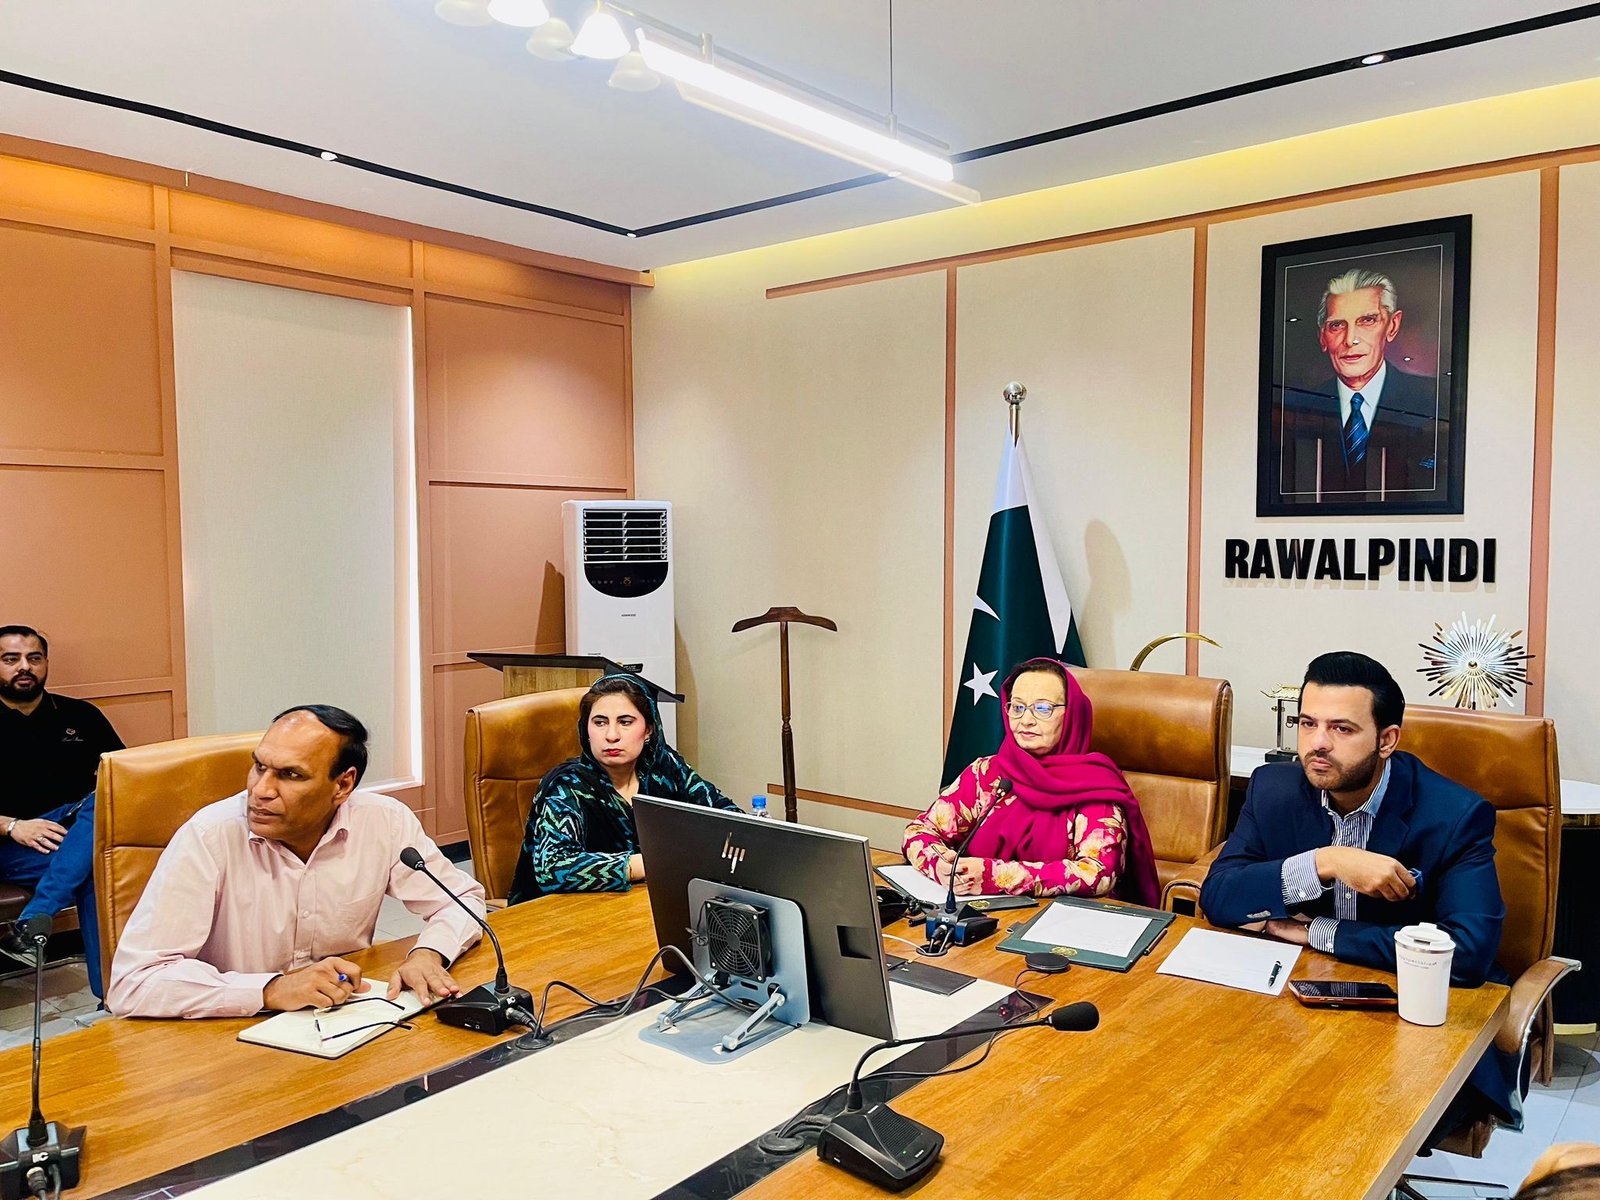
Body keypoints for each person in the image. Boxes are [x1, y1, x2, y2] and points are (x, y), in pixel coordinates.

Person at [1199, 650, 1512, 1127]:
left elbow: (1467, 954)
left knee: (1340, 1117)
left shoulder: (1454, 815)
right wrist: (1327, 861)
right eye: (1308, 724)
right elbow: (1219, 897)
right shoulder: (1273, 789)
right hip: (1295, 1009)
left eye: (1342, 729)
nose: (1318, 744)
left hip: (1407, 1021)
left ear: (1386, 740)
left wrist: (1318, 932)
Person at [107, 704, 484, 1019]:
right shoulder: (209, 836)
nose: (260, 790)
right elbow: (134, 983)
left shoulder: (383, 820)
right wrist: (271, 990)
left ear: (343, 785)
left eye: (290, 775)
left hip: (341, 1018)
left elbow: (462, 901)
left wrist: (428, 953)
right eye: (259, 767)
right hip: (225, 1031)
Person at [904, 657, 1159, 905]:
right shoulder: (987, 773)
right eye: (1017, 707)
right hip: (981, 914)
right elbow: (919, 831)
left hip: (1063, 920)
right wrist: (940, 865)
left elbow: (1097, 874)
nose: (1026, 720)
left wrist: (994, 876)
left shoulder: (1095, 785)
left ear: (1071, 715)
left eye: (1043, 708)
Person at [508, 673, 735, 902]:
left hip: (644, 905)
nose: (611, 735)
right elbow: (553, 868)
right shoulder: (568, 786)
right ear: (586, 730)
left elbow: (731, 820)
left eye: (625, 722)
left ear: (649, 730)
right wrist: (644, 864)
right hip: (565, 914)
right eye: (600, 722)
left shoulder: (665, 769)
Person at [0, 625, 123, 999]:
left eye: (34, 658)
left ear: (46, 663)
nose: (25, 667)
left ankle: (31, 923)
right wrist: (13, 826)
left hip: (72, 829)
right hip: (11, 843)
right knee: (94, 868)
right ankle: (113, 997)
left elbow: (123, 777)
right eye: (10, 659)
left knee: (100, 800)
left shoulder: (80, 715)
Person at [1278, 268, 1442, 499]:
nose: (1350, 339)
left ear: (1392, 326)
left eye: (1367, 320)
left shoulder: (1434, 401)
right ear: (1323, 337)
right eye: (1337, 325)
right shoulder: (1298, 410)